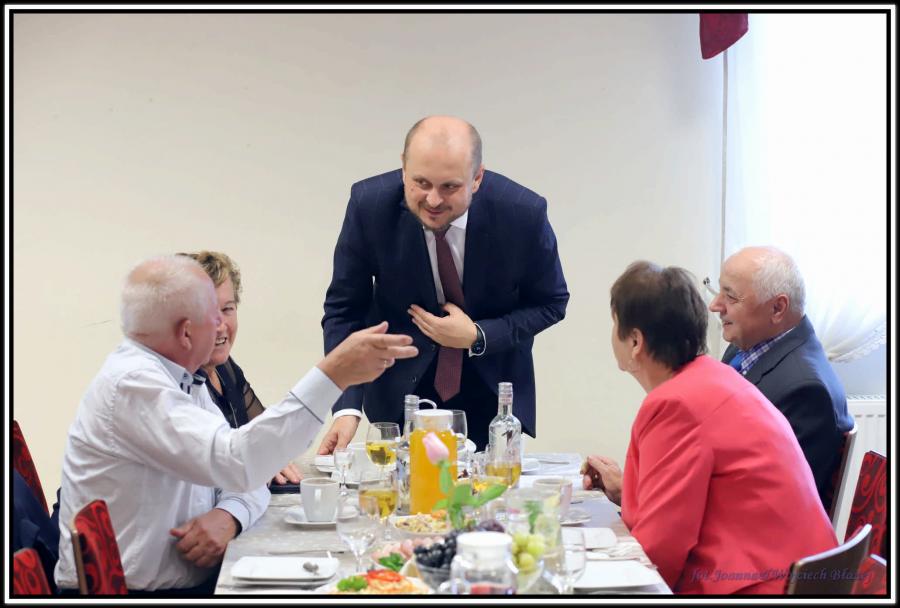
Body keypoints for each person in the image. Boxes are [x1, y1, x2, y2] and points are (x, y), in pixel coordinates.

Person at [54, 255, 417, 594]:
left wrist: (231, 513)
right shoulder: (135, 385)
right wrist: (333, 374)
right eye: (212, 315)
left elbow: (249, 466)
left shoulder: (180, 377)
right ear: (186, 332)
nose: (221, 326)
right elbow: (241, 462)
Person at [582, 261, 836, 594]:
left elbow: (657, 552)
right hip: (801, 575)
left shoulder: (676, 404)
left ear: (635, 341)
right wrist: (626, 490)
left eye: (615, 323)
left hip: (762, 586)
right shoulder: (714, 378)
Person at [319, 115, 569, 452]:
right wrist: (347, 406)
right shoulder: (369, 205)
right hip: (399, 394)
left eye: (449, 187)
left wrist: (478, 335)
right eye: (421, 183)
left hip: (491, 395)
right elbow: (344, 310)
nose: (433, 200)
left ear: (477, 178)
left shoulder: (522, 213)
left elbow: (551, 302)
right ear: (403, 169)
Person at [708, 246, 853, 509]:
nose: (715, 305)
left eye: (730, 296)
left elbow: (772, 502)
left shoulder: (806, 391)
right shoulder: (745, 346)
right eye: (718, 291)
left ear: (777, 308)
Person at [181, 250, 301, 485]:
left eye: (227, 309)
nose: (220, 326)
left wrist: (271, 455)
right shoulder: (179, 384)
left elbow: (266, 434)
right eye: (207, 312)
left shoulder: (224, 367)